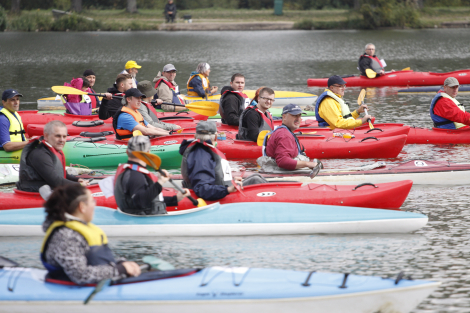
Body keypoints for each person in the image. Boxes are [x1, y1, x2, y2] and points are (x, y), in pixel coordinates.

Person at [41, 184, 141, 284]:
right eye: (92, 201)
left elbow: (96, 261)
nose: (94, 204)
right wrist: (119, 270)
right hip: (74, 290)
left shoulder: (78, 230)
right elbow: (80, 275)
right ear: (82, 207)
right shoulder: (65, 236)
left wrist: (120, 263)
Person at [179, 121, 266, 201]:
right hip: (220, 197)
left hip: (221, 191)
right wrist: (228, 189)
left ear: (195, 136)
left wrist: (231, 181)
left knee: (256, 177)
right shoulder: (201, 155)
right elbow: (202, 189)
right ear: (216, 137)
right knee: (256, 181)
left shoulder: (203, 152)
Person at [114, 136, 190, 215]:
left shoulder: (130, 172)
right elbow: (140, 201)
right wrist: (159, 183)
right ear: (148, 152)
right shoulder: (136, 175)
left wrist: (175, 199)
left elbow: (149, 200)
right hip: (145, 223)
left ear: (127, 152)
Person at [16, 121, 89, 192]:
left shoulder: (52, 150)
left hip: (50, 191)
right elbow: (55, 181)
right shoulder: (40, 154)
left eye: (64, 136)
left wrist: (76, 180)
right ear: (46, 136)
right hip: (35, 194)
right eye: (58, 136)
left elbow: (59, 172)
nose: (62, 140)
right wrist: (78, 185)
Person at [257, 104, 319, 172]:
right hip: (279, 174)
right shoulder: (284, 135)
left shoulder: (283, 131)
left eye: (299, 115)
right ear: (284, 117)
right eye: (294, 115)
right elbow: (282, 161)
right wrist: (308, 164)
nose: (298, 118)